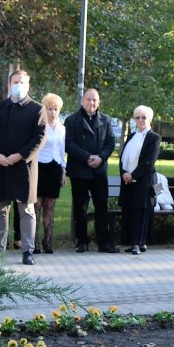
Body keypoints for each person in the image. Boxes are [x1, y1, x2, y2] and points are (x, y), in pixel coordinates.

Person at [0, 68, 44, 265]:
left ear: (28, 85)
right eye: (15, 82)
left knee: (26, 210)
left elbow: (39, 137)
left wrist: (19, 156)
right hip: (0, 165)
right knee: (1, 209)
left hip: (23, 168)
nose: (18, 85)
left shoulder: (37, 109)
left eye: (22, 82)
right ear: (9, 85)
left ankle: (28, 250)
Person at [65, 88, 116, 254]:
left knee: (101, 207)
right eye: (88, 99)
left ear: (98, 102)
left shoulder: (106, 121)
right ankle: (82, 241)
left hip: (99, 171)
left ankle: (103, 243)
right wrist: (87, 157)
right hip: (79, 170)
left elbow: (110, 143)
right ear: (82, 101)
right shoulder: (71, 121)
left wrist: (101, 157)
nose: (91, 103)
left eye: (94, 100)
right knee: (80, 208)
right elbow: (69, 144)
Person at [118, 105, 161, 254]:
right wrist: (123, 173)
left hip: (144, 181)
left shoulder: (154, 138)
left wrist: (133, 175)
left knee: (140, 212)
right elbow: (123, 157)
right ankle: (133, 242)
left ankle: (138, 243)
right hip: (127, 181)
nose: (140, 120)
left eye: (144, 117)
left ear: (149, 119)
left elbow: (149, 161)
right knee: (129, 211)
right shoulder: (131, 136)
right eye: (137, 117)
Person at [35, 92, 67, 255]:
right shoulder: (40, 125)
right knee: (37, 206)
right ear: (44, 109)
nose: (53, 112)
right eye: (49, 109)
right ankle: (34, 244)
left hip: (55, 168)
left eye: (56, 109)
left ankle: (48, 241)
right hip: (40, 167)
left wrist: (63, 171)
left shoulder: (62, 129)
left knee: (50, 208)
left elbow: (62, 152)